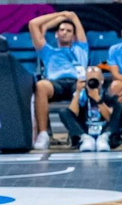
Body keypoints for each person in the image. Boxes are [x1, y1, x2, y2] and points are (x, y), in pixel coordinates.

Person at [29, 10, 88, 150]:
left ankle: (80, 135)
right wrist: (59, 15)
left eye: (69, 31)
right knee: (41, 85)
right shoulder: (47, 51)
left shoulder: (81, 48)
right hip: (56, 84)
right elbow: (33, 24)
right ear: (56, 34)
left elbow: (73, 16)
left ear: (74, 36)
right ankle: (43, 135)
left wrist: (68, 15)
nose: (65, 32)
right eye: (62, 30)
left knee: (83, 89)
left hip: (76, 82)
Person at [59, 66, 122, 153]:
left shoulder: (108, 95)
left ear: (102, 81)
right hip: (85, 129)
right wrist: (78, 92)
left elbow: (110, 118)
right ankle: (84, 138)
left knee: (121, 108)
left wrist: (98, 99)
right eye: (90, 81)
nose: (93, 84)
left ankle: (104, 138)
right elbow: (72, 114)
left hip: (104, 129)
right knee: (63, 111)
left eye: (95, 81)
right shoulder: (81, 95)